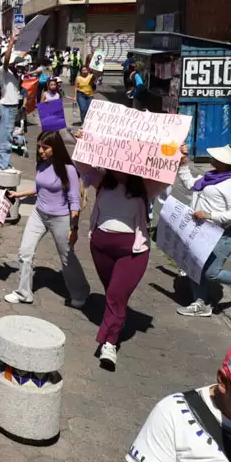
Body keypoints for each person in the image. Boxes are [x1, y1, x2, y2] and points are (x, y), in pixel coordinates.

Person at [75, 141, 163, 371]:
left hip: (132, 252)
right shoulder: (103, 181)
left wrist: (179, 160)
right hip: (101, 247)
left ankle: (109, 344)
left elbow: (166, 176)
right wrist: (83, 141)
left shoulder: (145, 187)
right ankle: (116, 320)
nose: (117, 167)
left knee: (115, 295)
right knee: (113, 294)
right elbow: (81, 164)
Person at [4, 130, 90, 307]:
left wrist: (74, 228)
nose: (41, 151)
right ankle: (23, 293)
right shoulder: (42, 165)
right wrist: (19, 194)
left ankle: (80, 292)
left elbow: (74, 200)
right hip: (39, 214)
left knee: (67, 257)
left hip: (60, 218)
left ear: (55, 148)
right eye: (39, 147)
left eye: (45, 148)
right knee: (25, 252)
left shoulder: (68, 169)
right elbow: (39, 188)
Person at [175, 145, 231, 318]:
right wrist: (184, 164)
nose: (211, 157)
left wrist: (210, 215)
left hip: (222, 235)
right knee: (195, 268)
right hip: (199, 232)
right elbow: (190, 184)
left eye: (216, 157)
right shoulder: (210, 177)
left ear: (225, 162)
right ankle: (199, 303)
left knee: (211, 273)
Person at [0, 38, 22, 171]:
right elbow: (6, 60)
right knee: (4, 136)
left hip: (12, 107)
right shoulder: (3, 70)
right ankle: (2, 165)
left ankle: (4, 162)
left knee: (8, 135)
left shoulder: (13, 73)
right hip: (6, 106)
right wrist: (11, 43)